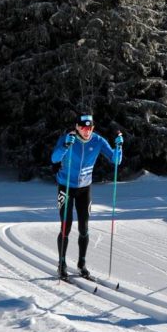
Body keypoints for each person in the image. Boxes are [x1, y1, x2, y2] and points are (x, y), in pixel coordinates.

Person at [51, 112, 122, 280]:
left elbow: (115, 160)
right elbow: (54, 158)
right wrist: (65, 147)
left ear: (93, 128)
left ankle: (81, 264)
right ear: (76, 127)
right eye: (83, 127)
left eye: (89, 128)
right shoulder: (68, 138)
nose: (86, 131)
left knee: (84, 227)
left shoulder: (97, 140)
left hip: (84, 189)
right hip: (66, 186)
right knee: (65, 226)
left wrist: (119, 147)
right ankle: (61, 264)